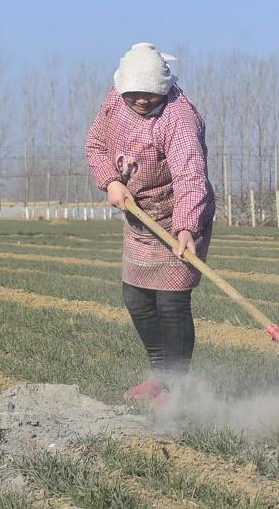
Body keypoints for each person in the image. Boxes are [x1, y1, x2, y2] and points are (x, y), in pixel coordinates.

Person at [86, 43, 215, 402]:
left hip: (179, 217)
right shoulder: (114, 102)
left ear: (165, 89)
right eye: (135, 95)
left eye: (150, 95)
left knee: (172, 304)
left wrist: (187, 225)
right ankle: (159, 376)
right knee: (138, 300)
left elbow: (191, 175)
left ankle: (177, 387)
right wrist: (111, 181)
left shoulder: (178, 118)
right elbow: (95, 144)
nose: (141, 100)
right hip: (140, 219)